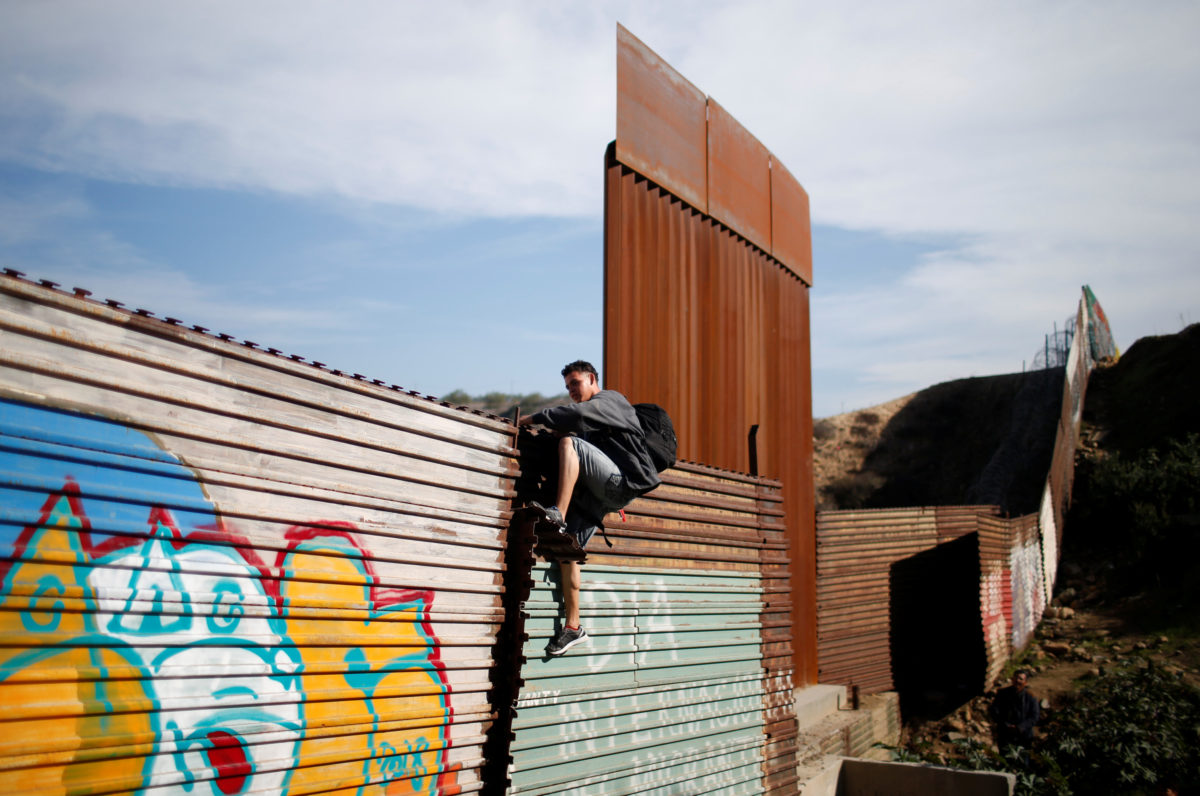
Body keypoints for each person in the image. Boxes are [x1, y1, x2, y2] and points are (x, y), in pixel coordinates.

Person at [518, 360, 661, 656]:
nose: (571, 391)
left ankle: (556, 512)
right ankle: (574, 627)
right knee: (568, 551)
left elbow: (577, 417)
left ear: (592, 379)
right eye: (568, 386)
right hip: (602, 491)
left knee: (570, 442)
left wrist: (534, 419)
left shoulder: (610, 400)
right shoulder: (594, 421)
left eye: (576, 383)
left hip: (622, 482)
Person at [989, 670, 1040, 764]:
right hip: (1005, 734)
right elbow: (994, 711)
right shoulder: (1002, 694)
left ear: (1025, 682)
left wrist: (1020, 727)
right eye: (1015, 678)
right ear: (1012, 679)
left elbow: (1034, 717)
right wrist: (1006, 725)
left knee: (1023, 763)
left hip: (1023, 736)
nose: (1017, 681)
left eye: (1020, 679)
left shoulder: (1031, 697)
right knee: (1005, 762)